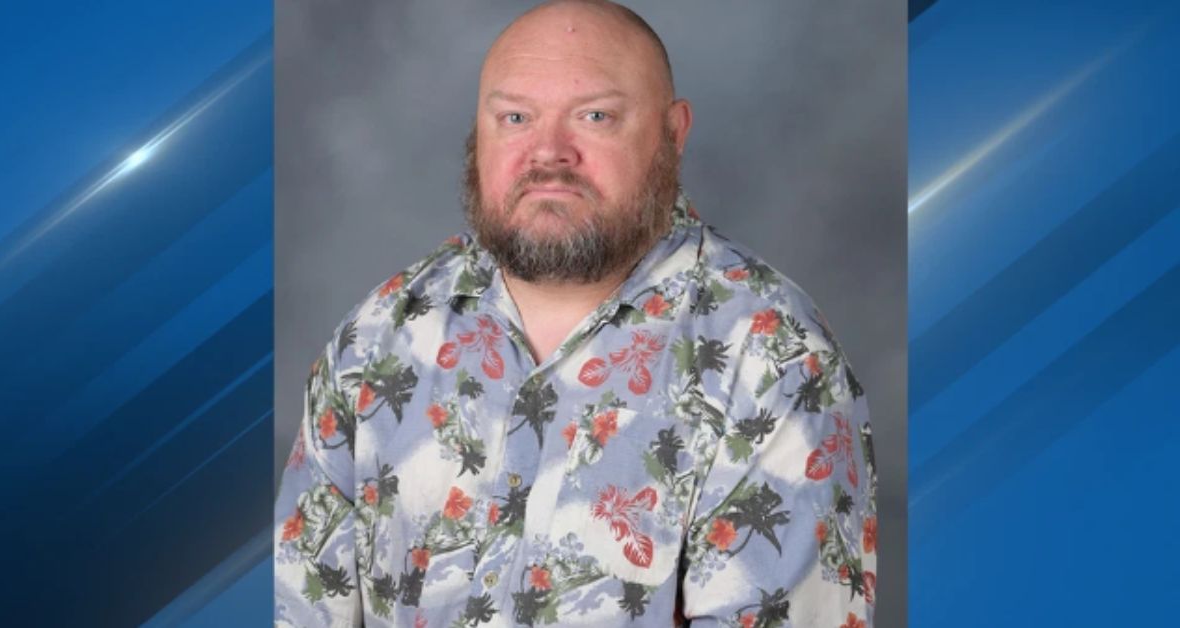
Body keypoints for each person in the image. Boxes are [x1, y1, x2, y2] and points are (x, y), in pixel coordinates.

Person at [274, 1, 877, 625]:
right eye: (515, 117)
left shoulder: (774, 358)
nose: (549, 153)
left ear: (674, 132)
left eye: (595, 116)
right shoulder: (379, 335)